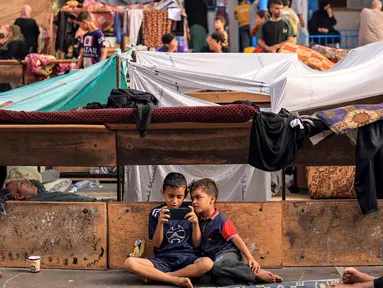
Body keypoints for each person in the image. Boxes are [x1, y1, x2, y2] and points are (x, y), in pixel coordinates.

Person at [124, 173, 213, 288]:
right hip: (163, 260)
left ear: (185, 194)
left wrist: (195, 223)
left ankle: (164, 277)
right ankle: (175, 280)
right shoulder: (156, 213)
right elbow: (156, 244)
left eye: (179, 197)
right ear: (163, 193)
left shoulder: (191, 211)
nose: (174, 201)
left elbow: (197, 244)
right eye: (170, 196)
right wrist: (160, 224)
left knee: (207, 263)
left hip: (188, 259)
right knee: (129, 262)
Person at [189, 178, 283, 286]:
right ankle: (255, 279)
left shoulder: (221, 220)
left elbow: (236, 239)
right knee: (222, 280)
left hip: (227, 253)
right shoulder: (197, 219)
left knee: (218, 267)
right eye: (192, 198)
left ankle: (255, 273)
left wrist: (250, 258)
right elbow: (197, 244)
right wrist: (195, 223)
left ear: (212, 199)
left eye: (198, 197)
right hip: (214, 258)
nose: (194, 202)